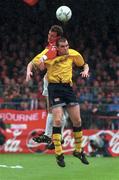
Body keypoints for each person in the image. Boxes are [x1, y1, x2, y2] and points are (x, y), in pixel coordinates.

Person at [30, 37, 90, 167]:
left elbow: (84, 64)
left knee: (77, 120)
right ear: (57, 48)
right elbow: (37, 66)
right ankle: (59, 153)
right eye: (63, 46)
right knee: (58, 120)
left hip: (68, 88)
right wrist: (39, 64)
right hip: (54, 88)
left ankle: (78, 150)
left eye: (67, 46)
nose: (66, 48)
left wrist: (85, 70)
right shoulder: (49, 56)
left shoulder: (73, 54)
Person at [26, 25, 66, 147]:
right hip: (49, 80)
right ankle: (51, 136)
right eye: (49, 34)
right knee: (51, 110)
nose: (50, 37)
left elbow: (51, 53)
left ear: (58, 37)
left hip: (57, 82)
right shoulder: (49, 46)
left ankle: (53, 136)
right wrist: (29, 70)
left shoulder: (56, 47)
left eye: (53, 36)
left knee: (56, 111)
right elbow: (33, 61)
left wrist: (43, 59)